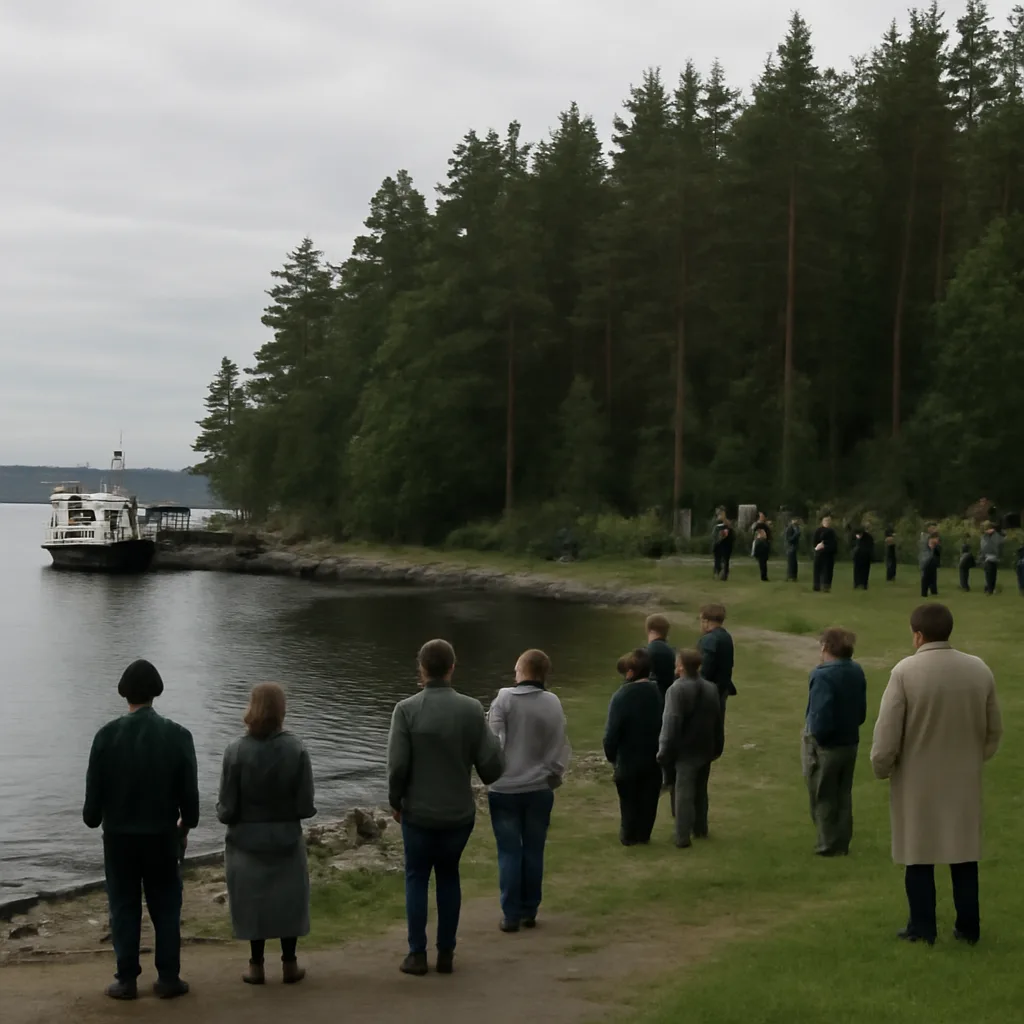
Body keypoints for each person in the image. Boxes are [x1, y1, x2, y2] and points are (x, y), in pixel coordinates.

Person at [870, 604, 1002, 946]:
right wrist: (974, 759)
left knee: (918, 853)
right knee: (963, 854)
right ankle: (968, 928)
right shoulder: (979, 669)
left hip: (917, 778)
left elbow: (888, 730)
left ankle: (922, 927)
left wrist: (881, 765)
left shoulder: (905, 672)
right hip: (963, 776)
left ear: (917, 634)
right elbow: (993, 730)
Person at [83, 659, 198, 1001]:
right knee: (165, 904)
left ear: (124, 694)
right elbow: (190, 802)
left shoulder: (105, 736)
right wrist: (184, 824)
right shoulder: (179, 736)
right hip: (162, 837)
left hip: (119, 840)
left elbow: (91, 813)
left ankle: (126, 978)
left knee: (124, 905)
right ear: (156, 693)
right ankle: (168, 977)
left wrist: (101, 816)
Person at [387, 639, 504, 976]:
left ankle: (416, 954)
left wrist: (396, 802)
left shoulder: (406, 710)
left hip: (418, 814)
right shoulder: (470, 709)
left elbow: (397, 766)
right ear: (452, 668)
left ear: (421, 669)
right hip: (457, 814)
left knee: (416, 878)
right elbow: (491, 768)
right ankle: (447, 953)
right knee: (449, 876)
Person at [216, 683, 316, 986]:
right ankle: (289, 964)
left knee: (253, 903)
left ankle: (256, 965)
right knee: (288, 900)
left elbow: (226, 811)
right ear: (281, 709)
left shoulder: (235, 750)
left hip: (245, 842)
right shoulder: (296, 748)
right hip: (285, 838)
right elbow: (305, 806)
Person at [486, 650, 570, 933]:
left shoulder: (504, 699)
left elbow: (493, 742)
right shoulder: (553, 702)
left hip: (505, 788)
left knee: (509, 851)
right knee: (534, 849)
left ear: (522, 670)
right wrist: (554, 775)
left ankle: (510, 915)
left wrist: (491, 776)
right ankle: (529, 909)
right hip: (539, 787)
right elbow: (559, 745)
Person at [802, 629, 867, 857]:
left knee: (823, 794)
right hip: (850, 741)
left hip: (827, 745)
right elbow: (861, 711)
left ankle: (827, 843)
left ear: (826, 647)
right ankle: (842, 841)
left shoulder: (822, 675)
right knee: (843, 793)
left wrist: (818, 738)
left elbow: (820, 713)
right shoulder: (856, 670)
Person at [658, 650, 724, 848]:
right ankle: (700, 828)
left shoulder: (676, 690)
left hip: (685, 749)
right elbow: (717, 721)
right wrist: (718, 746)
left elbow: (671, 722)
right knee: (700, 790)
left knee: (683, 792)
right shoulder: (711, 688)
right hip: (706, 746)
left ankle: (682, 837)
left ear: (680, 666)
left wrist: (663, 749)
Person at [603, 649, 664, 846]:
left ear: (631, 672)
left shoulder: (622, 696)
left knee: (629, 800)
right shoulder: (658, 693)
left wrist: (612, 757)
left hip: (628, 757)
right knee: (649, 798)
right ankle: (644, 834)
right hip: (653, 756)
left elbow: (611, 734)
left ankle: (628, 835)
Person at [697, 604, 736, 725]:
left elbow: (705, 668)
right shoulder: (726, 636)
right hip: (722, 688)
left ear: (706, 621)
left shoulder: (709, 639)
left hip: (709, 691)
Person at [645, 614, 676, 700]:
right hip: (669, 697)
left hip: (653, 698)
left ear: (649, 630)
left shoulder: (648, 651)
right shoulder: (672, 651)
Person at [812, 515, 838, 593]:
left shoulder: (832, 532)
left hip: (828, 554)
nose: (827, 522)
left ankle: (826, 586)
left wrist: (826, 546)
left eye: (829, 521)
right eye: (826, 521)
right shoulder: (818, 531)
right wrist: (817, 547)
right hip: (819, 553)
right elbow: (814, 542)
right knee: (817, 570)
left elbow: (834, 544)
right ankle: (817, 586)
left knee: (827, 570)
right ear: (823, 522)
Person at [978, 522, 1004, 595]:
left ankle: (989, 589)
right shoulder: (985, 537)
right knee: (989, 574)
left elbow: (1000, 545)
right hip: (988, 558)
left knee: (991, 575)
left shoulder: (995, 536)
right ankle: (989, 589)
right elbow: (982, 548)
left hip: (992, 557)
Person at [711, 512, 735, 581]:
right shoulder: (718, 526)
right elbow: (715, 536)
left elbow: (732, 537)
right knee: (718, 560)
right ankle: (717, 572)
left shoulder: (729, 528)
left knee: (725, 560)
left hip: (727, 545)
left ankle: (724, 574)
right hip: (718, 545)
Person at [919, 533, 941, 599]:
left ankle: (934, 591)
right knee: (925, 578)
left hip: (932, 563)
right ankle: (924, 593)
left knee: (933, 578)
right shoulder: (928, 543)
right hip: (927, 562)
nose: (938, 540)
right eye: (937, 538)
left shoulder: (936, 547)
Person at [784, 517, 801, 582]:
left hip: (794, 546)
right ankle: (789, 576)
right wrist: (795, 535)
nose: (796, 521)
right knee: (790, 562)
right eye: (794, 520)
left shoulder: (797, 527)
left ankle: (794, 576)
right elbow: (789, 539)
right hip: (790, 547)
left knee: (794, 562)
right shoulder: (789, 528)